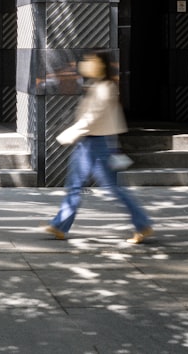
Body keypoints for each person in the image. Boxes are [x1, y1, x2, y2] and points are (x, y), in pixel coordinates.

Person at [44, 51, 154, 244]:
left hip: (97, 143)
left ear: (101, 65)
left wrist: (71, 132)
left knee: (112, 189)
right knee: (75, 186)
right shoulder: (96, 85)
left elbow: (93, 117)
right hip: (87, 142)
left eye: (91, 61)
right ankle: (59, 226)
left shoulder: (105, 87)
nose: (86, 64)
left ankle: (143, 225)